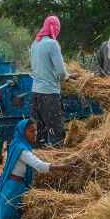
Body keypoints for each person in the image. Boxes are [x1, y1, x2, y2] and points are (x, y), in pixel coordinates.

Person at [30, 15, 69, 147]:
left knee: (40, 132)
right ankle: (56, 163)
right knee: (56, 131)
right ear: (55, 28)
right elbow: (61, 72)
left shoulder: (35, 44)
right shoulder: (52, 44)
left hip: (36, 93)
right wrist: (68, 76)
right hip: (50, 94)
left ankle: (39, 162)